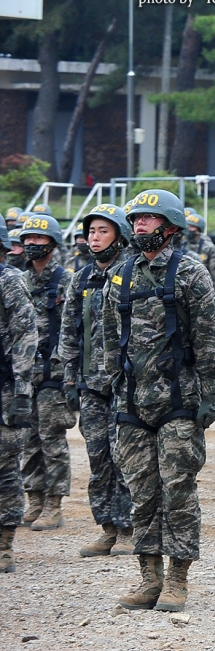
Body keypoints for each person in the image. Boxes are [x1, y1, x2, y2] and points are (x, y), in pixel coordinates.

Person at [103, 190, 215, 612]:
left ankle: (177, 579)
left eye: (148, 219)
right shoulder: (120, 275)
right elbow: (106, 339)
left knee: (177, 489)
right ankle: (148, 577)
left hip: (180, 399)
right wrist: (111, 391)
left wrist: (208, 395)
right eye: (135, 219)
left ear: (170, 227)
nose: (139, 226)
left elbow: (208, 340)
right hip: (133, 402)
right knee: (142, 492)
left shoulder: (191, 272)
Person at [58, 204, 135, 557]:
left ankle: (128, 529)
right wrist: (70, 380)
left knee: (126, 457)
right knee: (98, 457)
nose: (95, 237)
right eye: (91, 231)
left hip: (124, 382)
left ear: (119, 235)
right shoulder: (81, 279)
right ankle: (106, 527)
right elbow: (69, 334)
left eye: (103, 231)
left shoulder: (133, 273)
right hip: (90, 383)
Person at [17, 212, 73, 532]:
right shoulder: (19, 279)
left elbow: (75, 328)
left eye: (39, 239)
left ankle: (54, 502)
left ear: (52, 243)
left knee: (52, 439)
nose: (32, 244)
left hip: (54, 370)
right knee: (28, 439)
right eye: (28, 239)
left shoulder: (66, 280)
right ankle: (34, 497)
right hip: (25, 372)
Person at [0, 249, 36, 574]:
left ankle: (4, 544)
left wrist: (21, 390)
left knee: (5, 467)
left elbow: (25, 334)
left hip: (5, 387)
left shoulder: (9, 280)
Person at [182, 212, 215, 284]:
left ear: (199, 229)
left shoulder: (209, 247)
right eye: (187, 226)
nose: (188, 229)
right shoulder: (181, 243)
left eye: (192, 226)